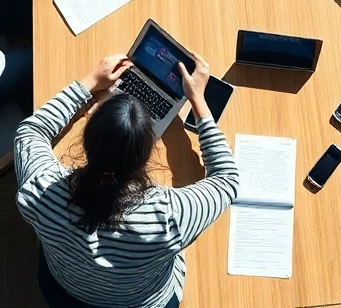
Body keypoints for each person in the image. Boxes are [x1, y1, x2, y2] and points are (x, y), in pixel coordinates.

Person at [15, 52, 239, 308]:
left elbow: (30, 131)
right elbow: (227, 178)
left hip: (63, 291)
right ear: (147, 154)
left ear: (85, 140)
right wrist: (198, 99)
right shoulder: (168, 218)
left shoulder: (40, 189)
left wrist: (90, 82)